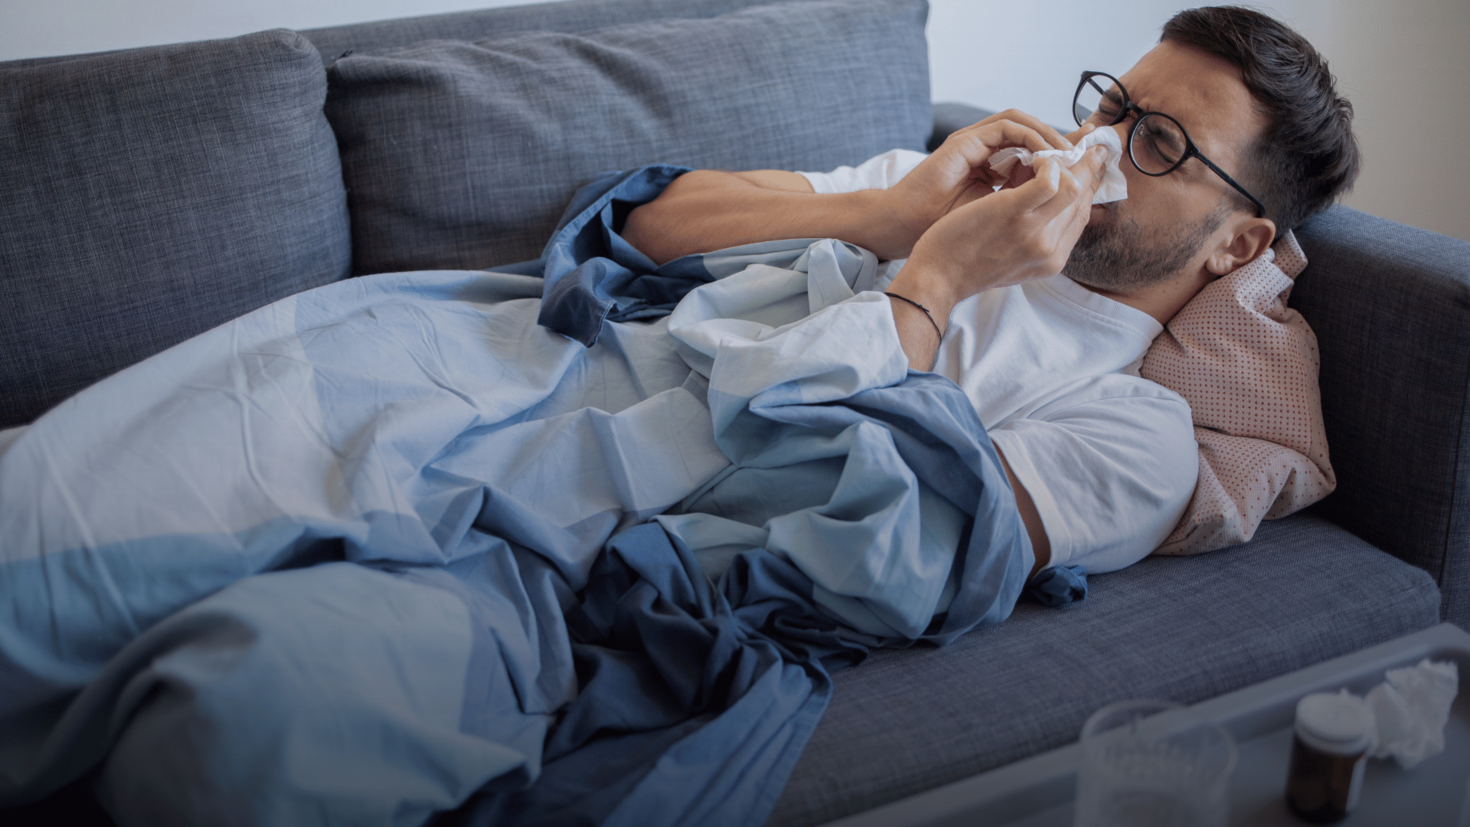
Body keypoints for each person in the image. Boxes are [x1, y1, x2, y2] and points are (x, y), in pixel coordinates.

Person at [623, 5, 1360, 578]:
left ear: (1238, 245)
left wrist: (937, 279)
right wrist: (884, 217)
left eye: (1161, 143)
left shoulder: (1139, 442)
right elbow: (649, 223)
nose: (1097, 147)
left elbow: (829, 528)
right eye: (1112, 109)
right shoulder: (937, 193)